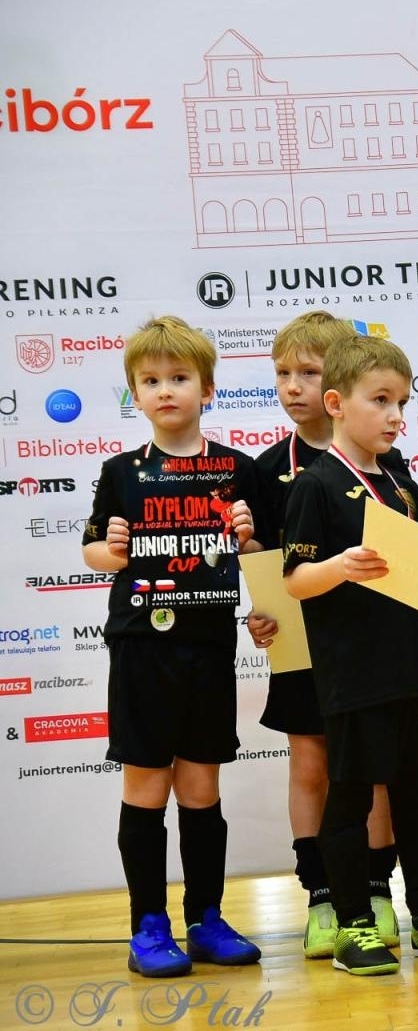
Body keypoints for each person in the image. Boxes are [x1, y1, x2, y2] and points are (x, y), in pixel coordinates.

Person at [282, 334, 418, 975]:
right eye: (380, 400)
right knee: (350, 796)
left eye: (401, 402)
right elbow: (296, 582)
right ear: (336, 403)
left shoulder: (403, 483)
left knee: (415, 795)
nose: (394, 415)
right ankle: (354, 923)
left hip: (412, 668)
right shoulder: (315, 486)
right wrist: (337, 567)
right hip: (353, 676)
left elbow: (415, 577)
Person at [82, 316, 264, 977]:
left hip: (209, 647)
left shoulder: (237, 471)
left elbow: (265, 560)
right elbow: (93, 548)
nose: (165, 391)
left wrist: (247, 535)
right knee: (146, 786)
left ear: (207, 388)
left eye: (179, 378)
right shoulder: (121, 472)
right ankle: (146, 927)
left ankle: (206, 918)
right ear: (135, 393)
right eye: (150, 381)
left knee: (200, 786)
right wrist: (112, 552)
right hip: (140, 648)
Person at [247, 311, 400, 958]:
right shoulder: (263, 469)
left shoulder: (379, 461)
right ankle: (320, 897)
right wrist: (256, 609)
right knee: (310, 763)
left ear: (337, 383)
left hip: (366, 650)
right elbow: (264, 561)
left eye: (308, 373)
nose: (293, 387)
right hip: (300, 647)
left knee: (377, 771)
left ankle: (377, 890)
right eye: (283, 373)